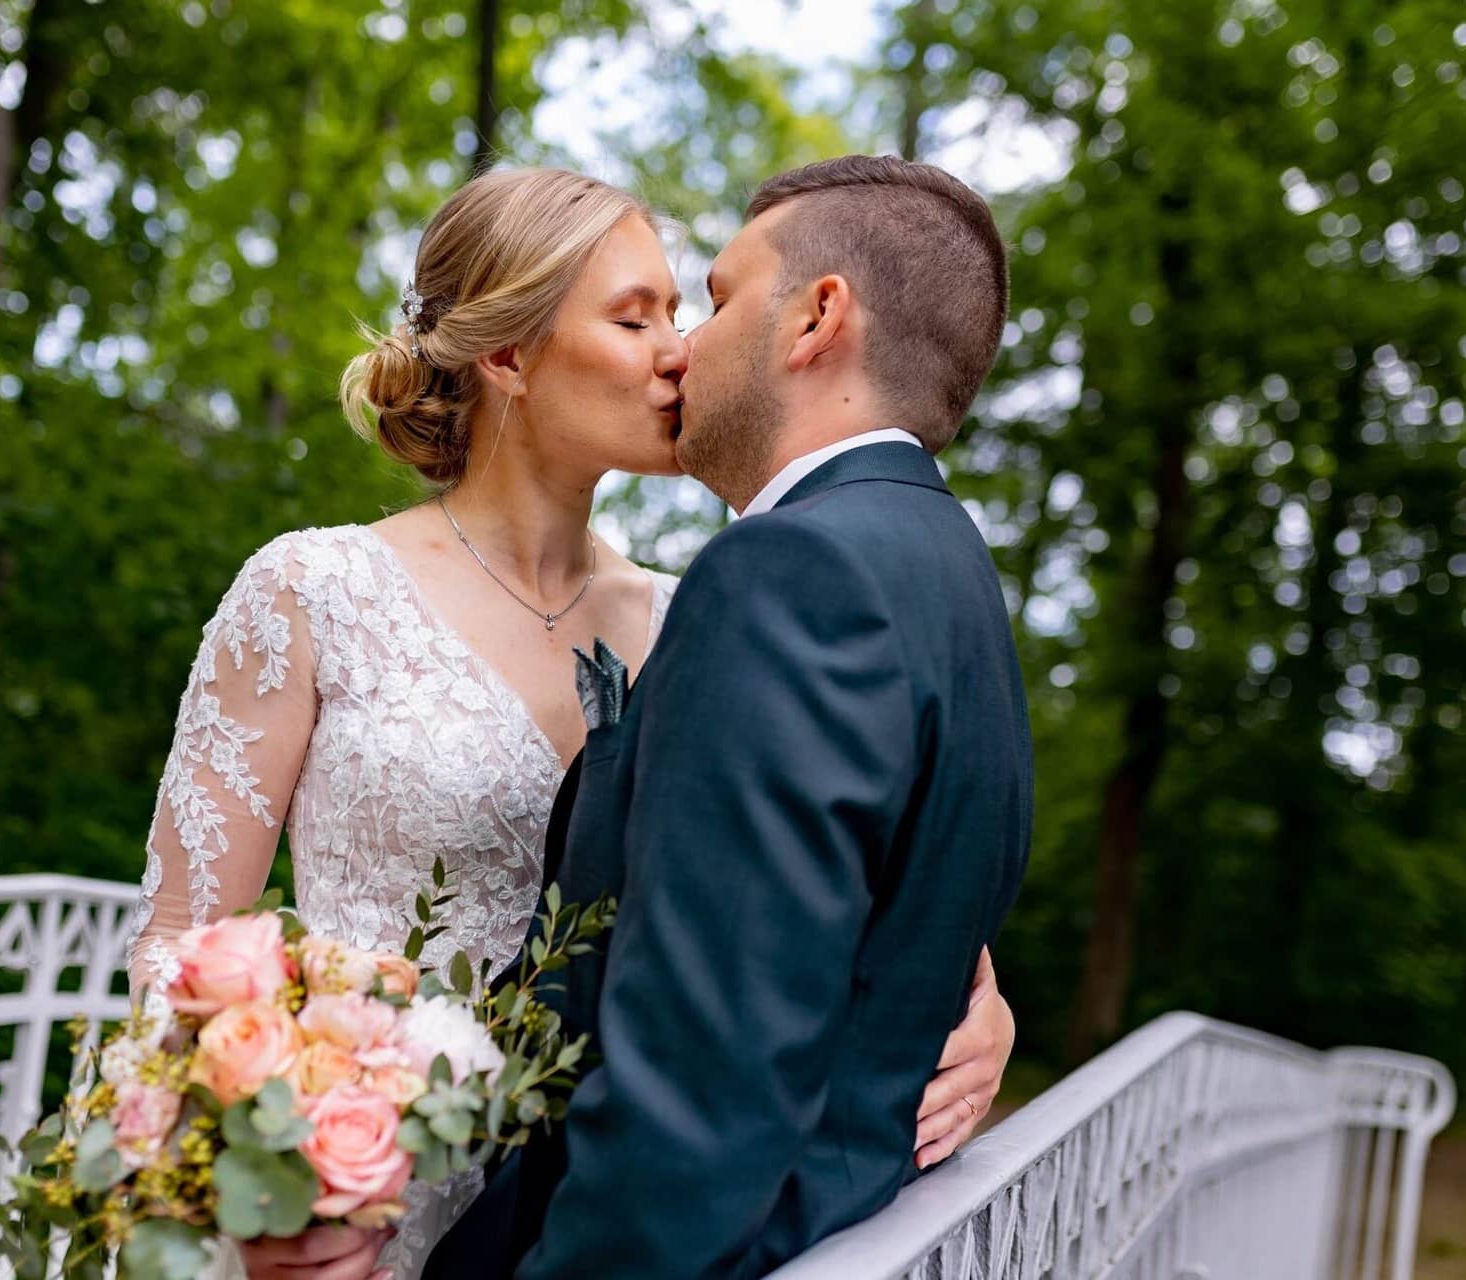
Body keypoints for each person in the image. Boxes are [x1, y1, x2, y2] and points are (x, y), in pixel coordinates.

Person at [126, 165, 1017, 1280]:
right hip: (330, 1207)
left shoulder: (701, 611)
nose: (677, 351)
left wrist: (978, 1007)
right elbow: (177, 945)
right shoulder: (314, 590)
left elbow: (831, 888)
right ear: (507, 355)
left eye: (685, 315)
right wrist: (262, 1166)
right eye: (635, 317)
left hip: (567, 1207)